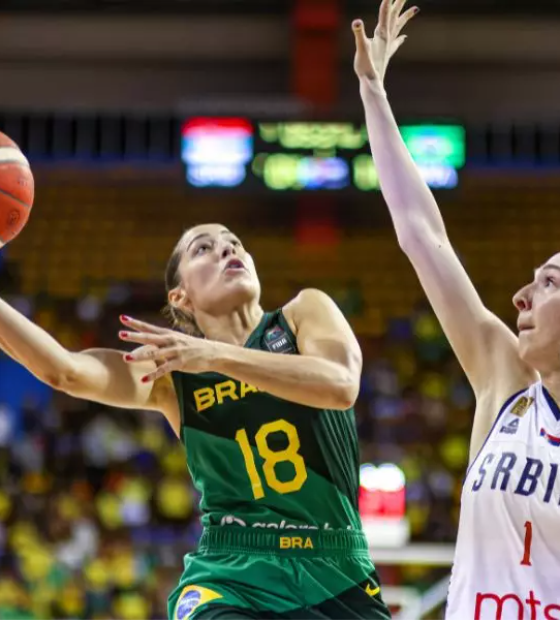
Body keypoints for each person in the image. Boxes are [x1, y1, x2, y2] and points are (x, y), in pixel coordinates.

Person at [0, 223, 392, 619]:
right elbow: (64, 371)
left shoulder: (303, 313)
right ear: (180, 296)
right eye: (204, 248)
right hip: (231, 570)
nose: (226, 249)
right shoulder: (173, 371)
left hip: (335, 566)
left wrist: (213, 356)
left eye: (234, 242)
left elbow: (340, 384)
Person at [353, 1, 560, 617]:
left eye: (549, 283)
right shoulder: (506, 381)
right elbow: (423, 236)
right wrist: (373, 93)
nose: (522, 296)